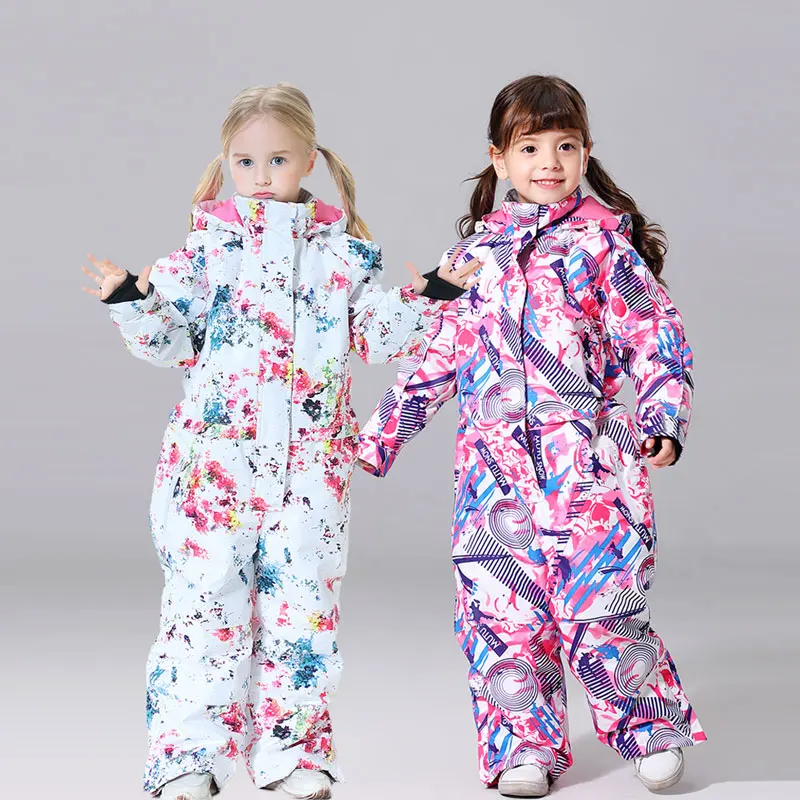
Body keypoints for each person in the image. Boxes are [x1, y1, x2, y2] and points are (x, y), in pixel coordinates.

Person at [81, 83, 472, 800]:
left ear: (310, 160)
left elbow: (374, 335)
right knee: (202, 609)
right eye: (246, 162)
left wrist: (434, 295)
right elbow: (172, 343)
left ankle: (292, 755)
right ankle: (187, 758)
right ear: (227, 161)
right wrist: (131, 301)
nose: (261, 176)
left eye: (278, 160)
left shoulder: (344, 256)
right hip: (213, 472)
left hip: (309, 473)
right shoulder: (202, 254)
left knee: (303, 614)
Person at [356, 75, 705, 796]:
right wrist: (380, 438)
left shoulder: (603, 248)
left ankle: (649, 728)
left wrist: (662, 418)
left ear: (586, 152)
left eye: (565, 146)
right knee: (502, 617)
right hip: (492, 474)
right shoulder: (473, 259)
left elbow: (655, 336)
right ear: (498, 158)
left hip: (590, 465)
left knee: (604, 606)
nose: (549, 162)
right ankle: (524, 747)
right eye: (530, 147)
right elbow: (437, 357)